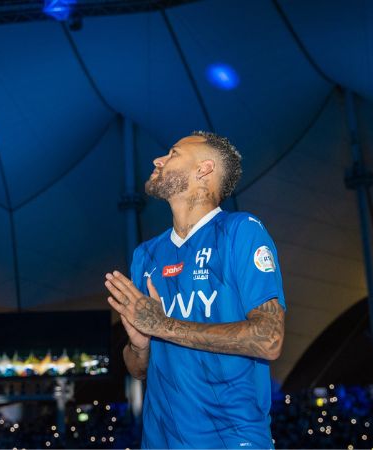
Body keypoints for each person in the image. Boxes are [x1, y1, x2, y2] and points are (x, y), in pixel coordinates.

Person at [104, 131, 286, 449]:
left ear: (204, 169)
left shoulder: (240, 231)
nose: (158, 160)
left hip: (232, 440)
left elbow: (269, 339)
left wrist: (163, 325)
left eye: (173, 153)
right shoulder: (146, 255)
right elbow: (138, 370)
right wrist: (140, 345)